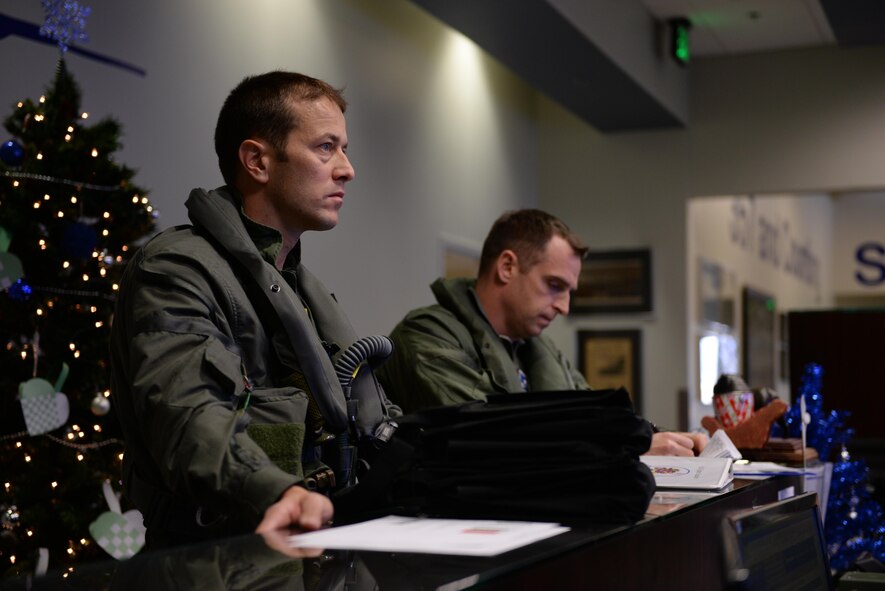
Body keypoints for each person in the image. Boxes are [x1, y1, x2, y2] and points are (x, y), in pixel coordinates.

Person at [110, 71, 399, 548]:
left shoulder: (300, 289)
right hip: (216, 563)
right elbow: (188, 418)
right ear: (257, 161)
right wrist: (278, 491)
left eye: (344, 149)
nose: (347, 169)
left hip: (308, 552)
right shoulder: (176, 270)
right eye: (326, 147)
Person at [376, 209, 706, 456]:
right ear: (507, 267)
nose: (564, 306)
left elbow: (601, 417)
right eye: (554, 286)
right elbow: (490, 438)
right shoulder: (426, 337)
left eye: (569, 291)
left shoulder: (539, 350)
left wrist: (667, 439)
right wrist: (631, 446)